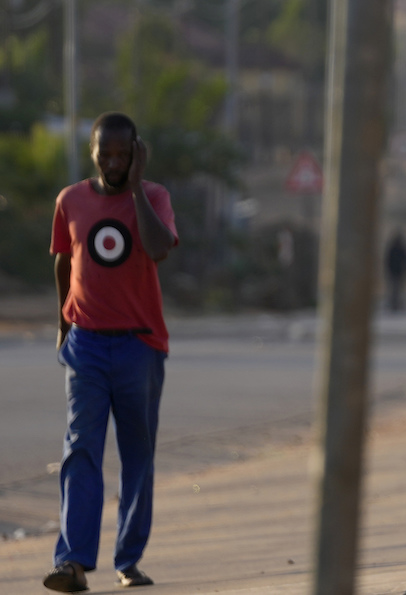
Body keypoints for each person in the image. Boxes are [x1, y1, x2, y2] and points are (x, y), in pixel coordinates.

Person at [44, 113, 179, 592]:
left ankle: (128, 560)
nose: (115, 163)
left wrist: (137, 187)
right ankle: (73, 563)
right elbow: (64, 261)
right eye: (107, 154)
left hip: (140, 344)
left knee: (137, 456)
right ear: (94, 152)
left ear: (136, 153)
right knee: (80, 450)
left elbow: (159, 248)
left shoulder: (155, 197)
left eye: (125, 155)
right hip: (87, 345)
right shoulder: (71, 200)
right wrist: (64, 325)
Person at [385, 229, 406, 312]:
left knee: (397, 289)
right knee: (396, 289)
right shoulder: (396, 248)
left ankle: (397, 304)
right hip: (395, 271)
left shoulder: (397, 248)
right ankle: (395, 304)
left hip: (398, 271)